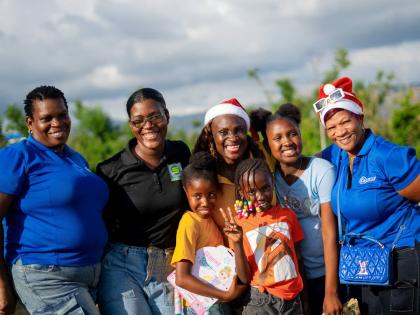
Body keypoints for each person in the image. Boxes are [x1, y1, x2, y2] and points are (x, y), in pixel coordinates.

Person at [313, 76, 420, 315]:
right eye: (331, 127)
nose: (340, 132)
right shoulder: (335, 157)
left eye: (345, 122)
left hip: (401, 265)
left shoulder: (389, 157)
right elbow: (300, 164)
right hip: (363, 268)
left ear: (360, 117)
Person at [0, 86, 109, 315]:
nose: (57, 123)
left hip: (89, 273)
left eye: (62, 115)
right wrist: (1, 286)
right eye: (46, 118)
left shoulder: (76, 158)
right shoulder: (18, 156)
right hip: (46, 272)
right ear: (30, 122)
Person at [96, 88, 191, 315]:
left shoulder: (181, 153)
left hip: (169, 262)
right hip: (122, 264)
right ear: (131, 125)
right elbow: (101, 224)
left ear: (167, 115)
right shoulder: (110, 170)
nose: (148, 125)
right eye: (138, 120)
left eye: (155, 116)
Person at [250, 104, 342, 315]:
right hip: (294, 279)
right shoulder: (270, 182)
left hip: (327, 275)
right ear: (267, 144)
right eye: (278, 138)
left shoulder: (321, 170)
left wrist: (331, 291)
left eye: (292, 134)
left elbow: (329, 231)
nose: (287, 142)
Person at [171, 151, 250, 315]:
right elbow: (182, 278)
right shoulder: (190, 222)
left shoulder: (211, 221)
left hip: (217, 303)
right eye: (197, 196)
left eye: (211, 195)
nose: (205, 202)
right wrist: (225, 295)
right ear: (186, 192)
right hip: (202, 305)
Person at [233, 158, 304, 314]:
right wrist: (237, 242)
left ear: (272, 181)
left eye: (265, 188)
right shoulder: (239, 224)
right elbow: (244, 278)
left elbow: (297, 256)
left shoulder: (288, 216)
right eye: (252, 191)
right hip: (262, 301)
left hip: (293, 300)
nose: (260, 196)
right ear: (241, 192)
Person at [193, 98, 267, 236]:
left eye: (238, 130)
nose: (232, 138)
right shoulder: (204, 176)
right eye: (223, 132)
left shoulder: (263, 157)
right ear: (211, 136)